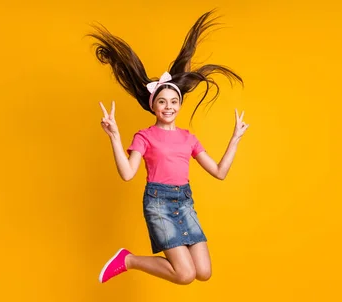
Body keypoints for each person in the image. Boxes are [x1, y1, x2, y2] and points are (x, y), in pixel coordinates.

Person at [89, 10, 250, 284]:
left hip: (185, 203)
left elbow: (220, 172)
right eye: (162, 102)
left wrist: (235, 139)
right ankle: (128, 260)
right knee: (185, 275)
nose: (169, 107)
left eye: (173, 102)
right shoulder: (145, 136)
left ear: (179, 105)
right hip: (158, 204)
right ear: (153, 106)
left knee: (204, 273)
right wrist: (114, 136)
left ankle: (133, 260)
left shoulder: (189, 138)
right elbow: (128, 173)